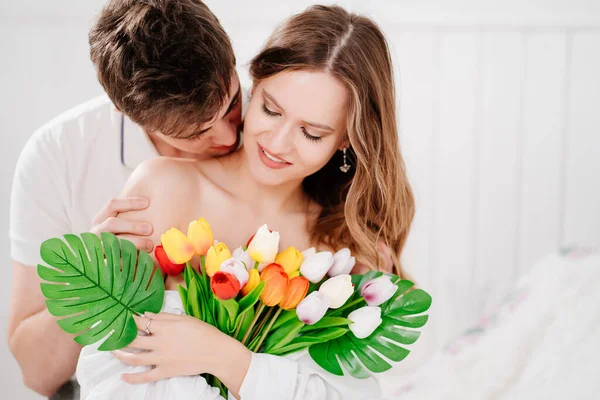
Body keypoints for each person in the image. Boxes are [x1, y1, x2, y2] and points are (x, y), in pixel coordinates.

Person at [76, 5, 415, 400]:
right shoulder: (167, 189)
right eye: (271, 109)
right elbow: (114, 375)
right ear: (253, 82)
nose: (277, 142)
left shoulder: (344, 248)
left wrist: (227, 359)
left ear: (346, 140)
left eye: (312, 133)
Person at [7, 0, 242, 397]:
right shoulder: (58, 155)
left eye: (233, 104)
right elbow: (36, 373)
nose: (230, 137)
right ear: (128, 114)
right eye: (194, 133)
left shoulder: (276, 129)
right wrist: (94, 279)